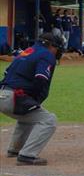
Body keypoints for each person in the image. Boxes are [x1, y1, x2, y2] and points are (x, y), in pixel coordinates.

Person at [0, 32, 64, 166]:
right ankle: (27, 155)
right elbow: (41, 78)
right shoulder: (47, 55)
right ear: (51, 46)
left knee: (28, 115)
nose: (57, 51)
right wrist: (33, 97)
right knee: (49, 120)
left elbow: (7, 73)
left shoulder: (27, 52)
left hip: (3, 93)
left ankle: (14, 150)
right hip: (13, 97)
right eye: (57, 47)